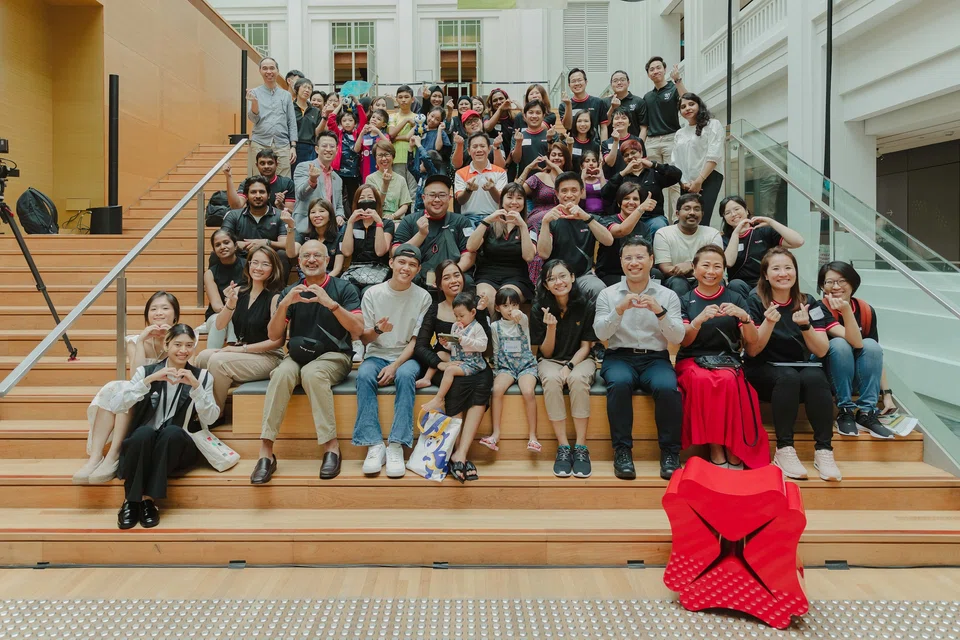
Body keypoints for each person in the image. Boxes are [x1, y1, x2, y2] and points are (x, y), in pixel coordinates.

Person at [249, 240, 364, 484]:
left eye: (317, 255)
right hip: (298, 355)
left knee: (313, 373)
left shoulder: (344, 288)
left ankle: (331, 446)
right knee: (281, 373)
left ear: (327, 260)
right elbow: (273, 335)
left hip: (335, 356)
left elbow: (358, 330)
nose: (311, 260)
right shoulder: (291, 291)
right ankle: (266, 452)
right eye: (306, 256)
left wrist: (330, 304)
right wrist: (284, 304)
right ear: (299, 262)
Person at [744, 247, 842, 481]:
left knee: (816, 378)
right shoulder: (754, 301)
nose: (783, 273)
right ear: (766, 274)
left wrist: (805, 326)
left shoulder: (809, 303)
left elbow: (822, 350)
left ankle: (824, 450)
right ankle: (784, 448)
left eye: (788, 268)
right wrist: (768, 323)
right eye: (776, 268)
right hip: (763, 368)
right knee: (788, 377)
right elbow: (753, 350)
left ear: (796, 272)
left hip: (800, 367)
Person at [594, 237, 685, 481]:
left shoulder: (667, 295)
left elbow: (678, 336)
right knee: (619, 383)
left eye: (640, 257)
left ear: (651, 260)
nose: (634, 263)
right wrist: (619, 310)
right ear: (621, 262)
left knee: (668, 387)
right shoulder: (608, 294)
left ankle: (670, 453)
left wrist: (660, 312)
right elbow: (601, 334)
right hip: (619, 356)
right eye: (628, 258)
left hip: (655, 358)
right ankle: (622, 451)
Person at [115, 324, 220, 530]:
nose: (183, 350)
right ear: (166, 344)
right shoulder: (146, 371)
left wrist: (196, 388)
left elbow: (211, 418)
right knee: (143, 433)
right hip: (144, 445)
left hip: (179, 446)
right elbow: (118, 405)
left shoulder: (203, 376)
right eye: (177, 344)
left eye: (189, 345)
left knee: (172, 432)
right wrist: (149, 380)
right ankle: (132, 501)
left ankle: (147, 499)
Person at [676, 245, 769, 469]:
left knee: (728, 380)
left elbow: (752, 341)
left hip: (728, 361)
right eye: (705, 265)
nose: (711, 271)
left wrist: (745, 318)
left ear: (724, 270)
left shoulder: (735, 298)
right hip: (691, 360)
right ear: (694, 268)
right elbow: (685, 341)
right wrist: (698, 321)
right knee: (702, 380)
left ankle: (734, 447)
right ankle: (715, 447)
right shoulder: (684, 299)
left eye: (717, 266)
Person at [73, 292, 181, 485]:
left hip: (168, 393)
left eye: (165, 308)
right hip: (141, 390)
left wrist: (170, 340)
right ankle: (95, 458)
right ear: (147, 315)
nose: (159, 313)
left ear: (175, 316)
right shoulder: (135, 340)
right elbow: (136, 377)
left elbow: (183, 371)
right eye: (153, 309)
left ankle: (113, 455)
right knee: (116, 389)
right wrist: (141, 342)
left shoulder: (184, 338)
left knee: (125, 393)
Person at [352, 244, 433, 479]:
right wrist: (378, 330)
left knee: (406, 376)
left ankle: (396, 445)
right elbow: (365, 339)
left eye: (412, 265)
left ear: (418, 270)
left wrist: (395, 366)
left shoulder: (423, 296)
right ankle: (374, 444)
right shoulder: (372, 293)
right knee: (364, 375)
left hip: (407, 356)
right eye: (401, 262)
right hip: (376, 353)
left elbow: (417, 341)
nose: (406, 268)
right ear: (391, 263)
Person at [412, 261, 493, 482]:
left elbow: (487, 347)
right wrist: (440, 364)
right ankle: (455, 451)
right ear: (439, 284)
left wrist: (482, 314)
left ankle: (461, 453)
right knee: (457, 383)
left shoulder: (476, 306)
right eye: (446, 277)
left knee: (483, 381)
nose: (453, 280)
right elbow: (421, 346)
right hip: (447, 365)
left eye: (456, 275)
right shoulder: (434, 309)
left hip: (474, 363)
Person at [194, 246, 286, 412]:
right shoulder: (239, 291)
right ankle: (201, 407)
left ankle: (215, 413)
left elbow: (277, 341)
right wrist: (230, 303)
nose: (258, 268)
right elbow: (219, 325)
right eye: (255, 262)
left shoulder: (275, 297)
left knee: (218, 361)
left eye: (265, 264)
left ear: (273, 269)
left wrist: (240, 349)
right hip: (243, 352)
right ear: (248, 264)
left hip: (269, 356)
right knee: (202, 357)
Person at [530, 260, 598, 479]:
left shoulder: (586, 305)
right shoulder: (539, 308)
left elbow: (586, 347)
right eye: (551, 279)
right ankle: (563, 447)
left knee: (577, 380)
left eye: (562, 276)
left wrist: (569, 367)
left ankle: (581, 447)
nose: (558, 282)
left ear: (572, 277)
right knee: (551, 380)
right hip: (551, 359)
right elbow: (546, 352)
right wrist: (551, 328)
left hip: (580, 358)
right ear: (546, 285)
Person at [817, 261, 896, 438]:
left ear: (853, 283)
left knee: (872, 345)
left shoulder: (866, 310)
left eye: (842, 281)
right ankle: (845, 410)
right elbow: (856, 342)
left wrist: (887, 394)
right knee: (840, 344)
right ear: (822, 286)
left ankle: (867, 412)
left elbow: (875, 355)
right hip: (826, 376)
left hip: (856, 376)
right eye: (829, 282)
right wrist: (846, 311)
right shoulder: (819, 308)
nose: (836, 287)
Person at [535, 171, 614, 302]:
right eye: (564, 191)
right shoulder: (548, 220)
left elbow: (608, 241)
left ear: (582, 192)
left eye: (574, 190)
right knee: (542, 292)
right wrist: (545, 222)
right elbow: (543, 254)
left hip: (583, 276)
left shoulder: (591, 218)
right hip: (555, 276)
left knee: (599, 289)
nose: (569, 195)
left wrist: (586, 218)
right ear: (557, 194)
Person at [391, 174, 473, 289]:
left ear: (449, 198)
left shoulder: (461, 221)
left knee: (467, 281)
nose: (437, 200)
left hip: (452, 274)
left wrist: (449, 275)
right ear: (423, 198)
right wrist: (421, 234)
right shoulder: (410, 220)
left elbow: (469, 255)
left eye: (442, 195)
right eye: (432, 195)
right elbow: (396, 252)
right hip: (417, 274)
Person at [484, 287, 540, 454]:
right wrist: (497, 369)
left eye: (514, 305)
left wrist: (518, 314)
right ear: (497, 308)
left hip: (526, 366)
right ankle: (495, 434)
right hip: (506, 367)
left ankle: (533, 436)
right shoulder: (495, 326)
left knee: (528, 391)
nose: (510, 309)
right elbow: (495, 350)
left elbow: (521, 316)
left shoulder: (522, 320)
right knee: (496, 390)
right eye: (506, 305)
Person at [719, 196, 804, 297]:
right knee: (735, 284)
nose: (733, 214)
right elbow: (728, 262)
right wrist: (736, 233)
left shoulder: (763, 232)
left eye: (737, 209)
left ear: (746, 210)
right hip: (739, 287)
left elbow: (798, 242)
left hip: (765, 283)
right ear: (724, 218)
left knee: (757, 292)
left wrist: (771, 222)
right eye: (727, 213)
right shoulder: (723, 239)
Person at [467, 183, 536, 306]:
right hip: (487, 276)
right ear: (502, 200)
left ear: (524, 202)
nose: (514, 202)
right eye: (509, 197)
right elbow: (471, 247)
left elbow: (529, 257)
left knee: (506, 298)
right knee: (487, 299)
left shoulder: (530, 226)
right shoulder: (490, 224)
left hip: (517, 278)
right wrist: (486, 221)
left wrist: (523, 226)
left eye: (519, 198)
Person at [420, 291, 488, 414]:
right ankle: (426, 378)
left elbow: (483, 346)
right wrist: (446, 344)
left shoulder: (477, 327)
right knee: (440, 353)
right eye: (456, 316)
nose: (458, 319)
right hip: (458, 358)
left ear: (473, 312)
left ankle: (438, 399)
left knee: (450, 370)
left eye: (461, 316)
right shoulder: (455, 326)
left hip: (472, 363)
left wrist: (465, 340)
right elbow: (454, 347)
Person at [600, 139, 682, 236]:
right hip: (627, 219)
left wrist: (654, 164)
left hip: (652, 218)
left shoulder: (654, 173)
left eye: (633, 153)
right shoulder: (621, 176)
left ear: (641, 153)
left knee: (658, 225)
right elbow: (605, 194)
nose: (630, 157)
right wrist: (623, 173)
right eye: (626, 155)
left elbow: (677, 175)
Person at [639, 57, 688, 215]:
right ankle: (660, 216)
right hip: (652, 142)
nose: (655, 71)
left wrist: (678, 80)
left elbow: (687, 100)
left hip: (670, 138)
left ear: (664, 69)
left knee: (673, 181)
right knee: (654, 181)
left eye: (658, 67)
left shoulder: (673, 89)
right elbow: (645, 125)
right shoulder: (647, 97)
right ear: (648, 74)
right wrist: (641, 144)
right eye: (651, 69)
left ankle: (677, 217)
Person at [220, 176, 291, 279]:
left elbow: (285, 244)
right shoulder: (233, 215)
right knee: (217, 254)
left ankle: (278, 288)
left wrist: (266, 243)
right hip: (241, 258)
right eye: (253, 192)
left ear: (269, 195)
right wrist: (237, 244)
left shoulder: (280, 215)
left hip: (269, 259)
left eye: (262, 192)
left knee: (283, 254)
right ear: (246, 196)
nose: (258, 196)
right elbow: (222, 240)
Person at [653, 193, 723, 297]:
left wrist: (691, 265)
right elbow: (665, 268)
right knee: (678, 282)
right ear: (677, 213)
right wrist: (696, 270)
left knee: (717, 281)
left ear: (702, 214)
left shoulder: (712, 234)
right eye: (687, 209)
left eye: (697, 209)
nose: (692, 213)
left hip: (706, 277)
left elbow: (715, 264)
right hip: (675, 281)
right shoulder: (663, 233)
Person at [673, 93, 725, 226]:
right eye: (683, 107)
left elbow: (714, 154)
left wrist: (699, 181)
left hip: (709, 176)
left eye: (691, 104)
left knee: (702, 218)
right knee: (687, 220)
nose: (687, 108)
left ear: (699, 105)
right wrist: (683, 182)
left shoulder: (713, 124)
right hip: (687, 182)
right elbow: (676, 160)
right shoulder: (679, 133)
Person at [596, 184, 658, 285]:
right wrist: (641, 209)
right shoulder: (606, 220)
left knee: (657, 274)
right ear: (619, 203)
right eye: (626, 198)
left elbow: (647, 254)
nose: (631, 202)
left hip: (635, 270)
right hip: (611, 273)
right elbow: (621, 231)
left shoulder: (644, 227)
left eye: (635, 199)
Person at [340, 185, 394, 298]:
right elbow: (346, 252)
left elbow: (380, 251)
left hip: (379, 270)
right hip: (355, 271)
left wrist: (378, 223)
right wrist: (350, 223)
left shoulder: (387, 224)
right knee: (350, 292)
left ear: (376, 201)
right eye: (362, 198)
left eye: (370, 197)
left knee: (368, 293)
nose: (366, 201)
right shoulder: (351, 224)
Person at [247, 57, 297, 178]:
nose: (269, 71)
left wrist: (293, 146)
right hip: (260, 142)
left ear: (277, 71)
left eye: (272, 68)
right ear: (260, 71)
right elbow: (254, 119)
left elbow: (291, 121)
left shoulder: (286, 95)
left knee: (284, 180)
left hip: (282, 144)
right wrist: (254, 103)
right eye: (265, 68)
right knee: (259, 180)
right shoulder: (254, 93)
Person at [294, 131, 345, 234]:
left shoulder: (337, 178)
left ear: (336, 150)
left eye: (332, 146)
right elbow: (300, 195)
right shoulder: (304, 167)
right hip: (307, 226)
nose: (328, 149)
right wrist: (312, 180)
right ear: (317, 149)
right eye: (324, 146)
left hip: (329, 228)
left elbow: (339, 205)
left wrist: (339, 215)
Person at [455, 132, 509, 226]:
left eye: (482, 146)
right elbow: (460, 201)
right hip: (468, 218)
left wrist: (492, 188)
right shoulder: (460, 173)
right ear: (469, 151)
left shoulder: (500, 172)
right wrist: (468, 190)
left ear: (489, 149)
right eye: (475, 147)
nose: (479, 150)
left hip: (494, 217)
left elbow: (501, 200)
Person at [203, 229, 245, 349]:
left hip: (243, 315)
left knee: (235, 318)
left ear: (235, 245)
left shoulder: (249, 267)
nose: (222, 247)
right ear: (214, 250)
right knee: (219, 319)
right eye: (218, 245)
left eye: (226, 242)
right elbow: (217, 306)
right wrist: (229, 308)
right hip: (217, 315)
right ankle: (210, 356)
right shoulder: (210, 273)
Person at [286, 197, 344, 277]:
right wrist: (290, 227)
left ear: (330, 216)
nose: (317, 215)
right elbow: (291, 254)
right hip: (307, 276)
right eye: (313, 212)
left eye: (321, 211)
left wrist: (323, 281)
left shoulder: (338, 237)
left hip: (329, 277)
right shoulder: (304, 236)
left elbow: (337, 269)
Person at [520, 142, 570, 233]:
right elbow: (515, 191)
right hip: (539, 219)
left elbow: (568, 184)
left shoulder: (570, 178)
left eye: (560, 155)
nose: (556, 157)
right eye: (553, 155)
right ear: (548, 157)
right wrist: (528, 168)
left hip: (563, 221)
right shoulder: (539, 177)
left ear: (565, 158)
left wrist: (554, 166)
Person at [326, 99, 367, 209]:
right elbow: (330, 120)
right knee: (336, 194)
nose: (347, 123)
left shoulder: (358, 133)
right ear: (340, 123)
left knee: (353, 196)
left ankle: (355, 214)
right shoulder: (338, 133)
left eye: (350, 120)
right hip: (339, 171)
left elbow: (363, 119)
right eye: (344, 121)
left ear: (355, 123)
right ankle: (336, 214)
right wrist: (340, 104)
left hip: (353, 172)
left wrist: (357, 102)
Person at [223, 152, 295, 212]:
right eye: (262, 163)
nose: (266, 166)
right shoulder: (248, 182)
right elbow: (236, 207)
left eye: (270, 163)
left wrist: (280, 205)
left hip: (278, 223)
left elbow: (291, 214)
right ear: (257, 165)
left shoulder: (287, 183)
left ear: (276, 164)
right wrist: (228, 177)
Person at [510, 100, 562, 177]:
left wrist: (549, 140)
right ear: (524, 116)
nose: (534, 116)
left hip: (548, 180)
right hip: (525, 179)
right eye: (531, 112)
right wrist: (519, 142)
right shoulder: (518, 136)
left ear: (543, 116)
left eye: (538, 113)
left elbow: (556, 159)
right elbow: (516, 160)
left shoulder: (552, 134)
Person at [364, 141, 412, 220]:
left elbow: (404, 205)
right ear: (375, 158)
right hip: (376, 220)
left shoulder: (401, 179)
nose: (384, 158)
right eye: (380, 155)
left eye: (387, 155)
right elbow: (376, 205)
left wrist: (393, 216)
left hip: (395, 221)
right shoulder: (370, 179)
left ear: (393, 157)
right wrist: (385, 184)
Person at [387, 85, 420, 195]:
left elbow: (417, 137)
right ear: (396, 99)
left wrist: (396, 138)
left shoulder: (418, 118)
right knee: (398, 191)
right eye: (400, 97)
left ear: (412, 99)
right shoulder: (392, 116)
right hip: (396, 158)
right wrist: (406, 120)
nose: (403, 100)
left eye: (406, 97)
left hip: (414, 158)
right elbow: (391, 133)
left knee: (413, 191)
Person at [559, 68, 608, 140]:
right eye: (573, 81)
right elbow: (567, 126)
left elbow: (603, 127)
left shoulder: (598, 102)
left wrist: (603, 146)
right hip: (572, 144)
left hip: (593, 144)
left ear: (586, 82)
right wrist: (568, 105)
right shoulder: (564, 105)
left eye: (579, 80)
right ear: (569, 85)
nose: (577, 83)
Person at [292, 78, 323, 173]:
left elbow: (317, 132)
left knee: (309, 174)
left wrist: (325, 118)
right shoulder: (290, 107)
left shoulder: (315, 111)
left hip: (310, 148)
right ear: (297, 89)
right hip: (293, 147)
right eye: (304, 87)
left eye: (309, 88)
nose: (307, 90)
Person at [603, 70, 645, 138]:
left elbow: (643, 128)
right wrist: (612, 108)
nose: (619, 83)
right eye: (615, 81)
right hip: (611, 143)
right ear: (611, 84)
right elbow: (603, 126)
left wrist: (639, 143)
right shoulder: (604, 102)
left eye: (622, 80)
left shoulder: (639, 102)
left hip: (633, 143)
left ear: (628, 82)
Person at [357, 108, 391, 183]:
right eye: (373, 117)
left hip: (379, 167)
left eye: (378, 119)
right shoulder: (365, 136)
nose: (374, 119)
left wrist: (378, 131)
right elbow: (356, 149)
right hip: (365, 168)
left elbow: (389, 145)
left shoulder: (384, 136)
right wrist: (361, 133)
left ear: (384, 124)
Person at [484, 89, 516, 158]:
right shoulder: (487, 116)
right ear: (491, 104)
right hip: (493, 157)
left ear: (506, 100)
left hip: (511, 158)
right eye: (495, 100)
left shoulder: (514, 118)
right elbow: (487, 128)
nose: (498, 102)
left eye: (501, 99)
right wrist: (500, 109)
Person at [580, 150, 606, 216]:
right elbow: (581, 201)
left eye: (594, 161)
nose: (591, 163)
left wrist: (601, 177)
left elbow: (607, 198)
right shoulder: (577, 182)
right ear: (581, 166)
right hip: (584, 214)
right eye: (587, 161)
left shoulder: (604, 180)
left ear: (598, 165)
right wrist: (583, 178)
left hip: (603, 215)